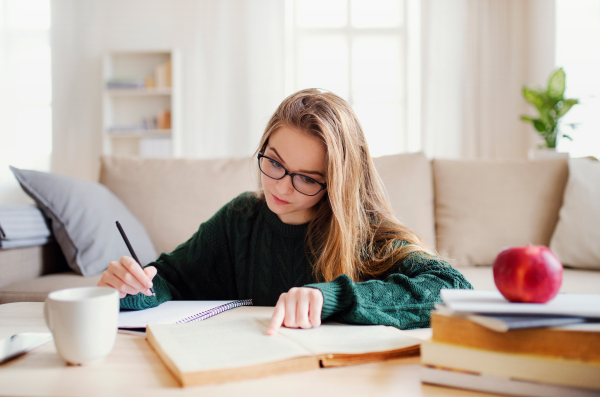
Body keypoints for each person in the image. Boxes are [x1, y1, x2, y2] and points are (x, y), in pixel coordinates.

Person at [98, 88, 472, 334]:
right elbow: (171, 279)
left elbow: (454, 290)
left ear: (336, 185)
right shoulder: (240, 220)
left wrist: (333, 297)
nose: (279, 186)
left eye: (306, 179)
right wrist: (131, 288)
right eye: (274, 163)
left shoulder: (366, 234)